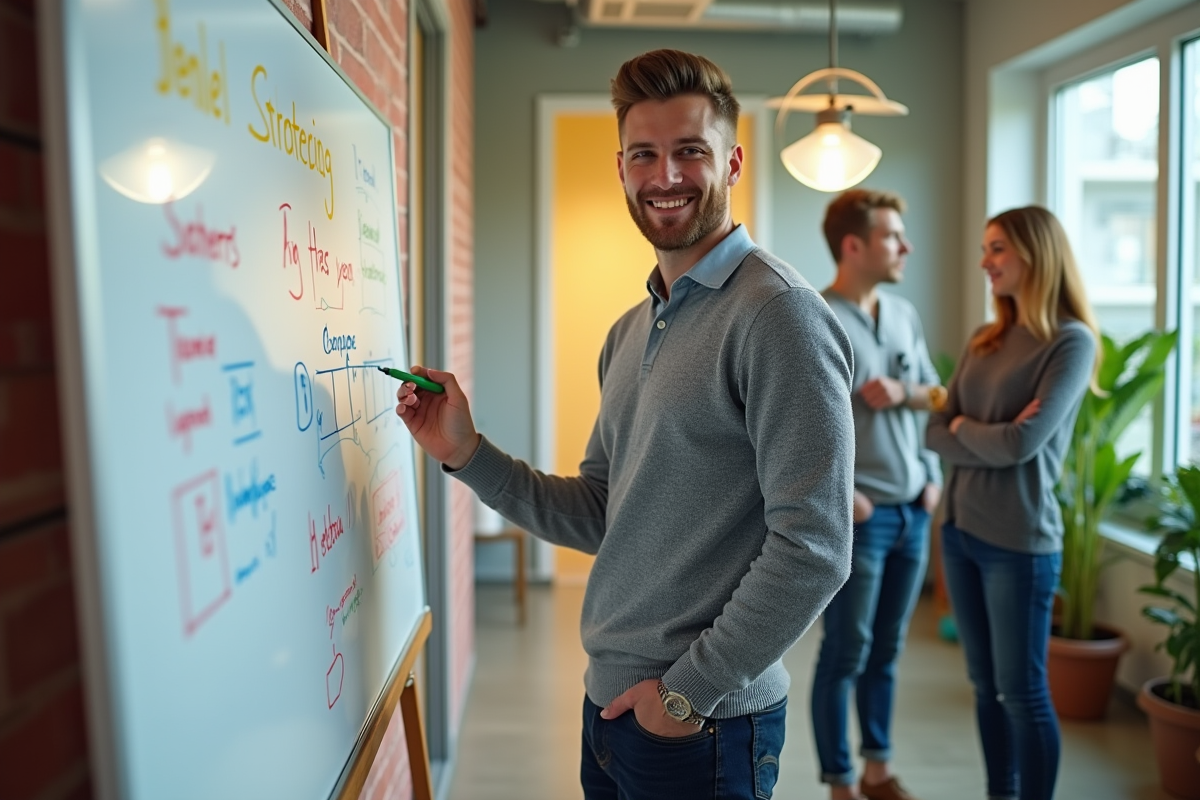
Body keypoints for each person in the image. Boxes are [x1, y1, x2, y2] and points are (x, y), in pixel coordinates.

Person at [393, 49, 855, 799]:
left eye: (690, 152)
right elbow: (606, 513)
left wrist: (683, 696)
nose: (665, 176)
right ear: (621, 168)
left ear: (733, 162)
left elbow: (817, 546)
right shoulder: (632, 329)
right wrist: (469, 454)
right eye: (645, 154)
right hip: (612, 711)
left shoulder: (778, 316)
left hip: (700, 724)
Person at [926, 206, 1099, 800]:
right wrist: (984, 433)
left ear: (1035, 254)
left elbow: (1024, 443)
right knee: (983, 685)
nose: (984, 262)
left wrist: (965, 430)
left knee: (1022, 691)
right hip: (960, 530)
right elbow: (934, 431)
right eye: (985, 249)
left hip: (1020, 542)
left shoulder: (1071, 343)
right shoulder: (985, 337)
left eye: (997, 249)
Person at [813, 189, 944, 800]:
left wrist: (930, 475)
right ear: (854, 245)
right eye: (894, 236)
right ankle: (839, 780)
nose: (906, 247)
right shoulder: (814, 318)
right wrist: (844, 499)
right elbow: (798, 429)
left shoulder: (903, 314)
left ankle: (878, 769)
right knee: (845, 650)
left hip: (912, 510)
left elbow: (935, 395)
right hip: (859, 519)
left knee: (886, 650)